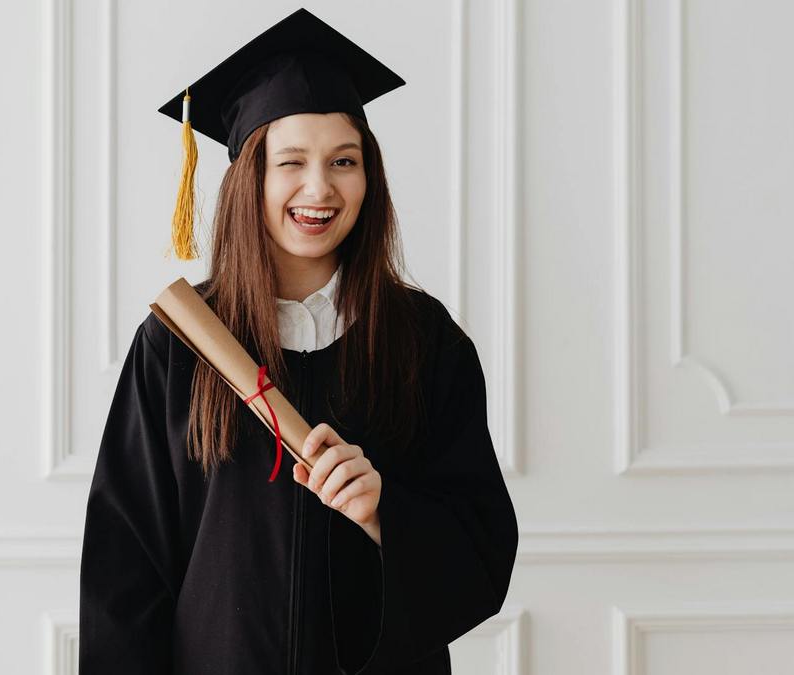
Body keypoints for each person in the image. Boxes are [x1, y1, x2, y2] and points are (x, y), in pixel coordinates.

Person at [78, 8, 518, 674]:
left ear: (370, 179)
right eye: (291, 162)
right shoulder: (180, 346)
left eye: (344, 160)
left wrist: (382, 514)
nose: (320, 187)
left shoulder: (425, 343)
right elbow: (125, 572)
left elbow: (481, 548)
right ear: (249, 177)